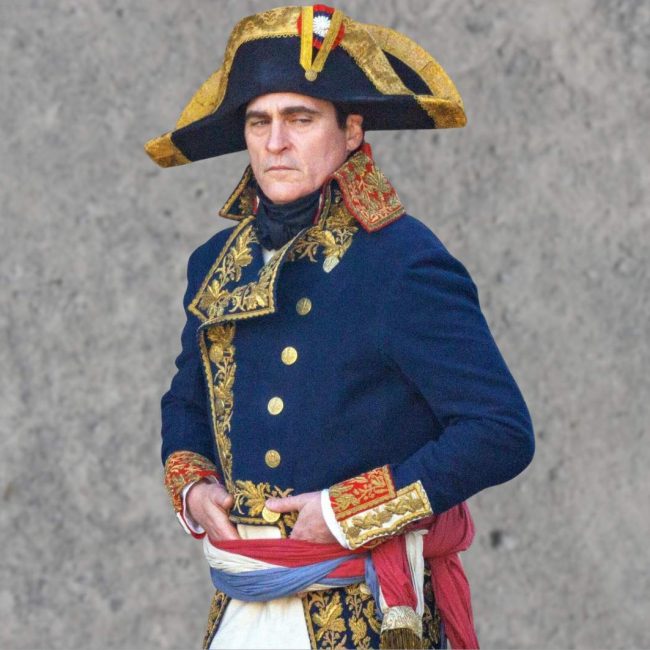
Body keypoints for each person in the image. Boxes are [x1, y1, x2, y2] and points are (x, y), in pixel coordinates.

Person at [145, 5, 534, 649]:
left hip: (367, 612)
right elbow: (187, 401)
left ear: (352, 131)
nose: (275, 142)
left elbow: (500, 431)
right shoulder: (214, 263)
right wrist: (193, 488)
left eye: (300, 119)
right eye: (260, 121)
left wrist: (347, 510)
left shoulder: (402, 261)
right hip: (242, 602)